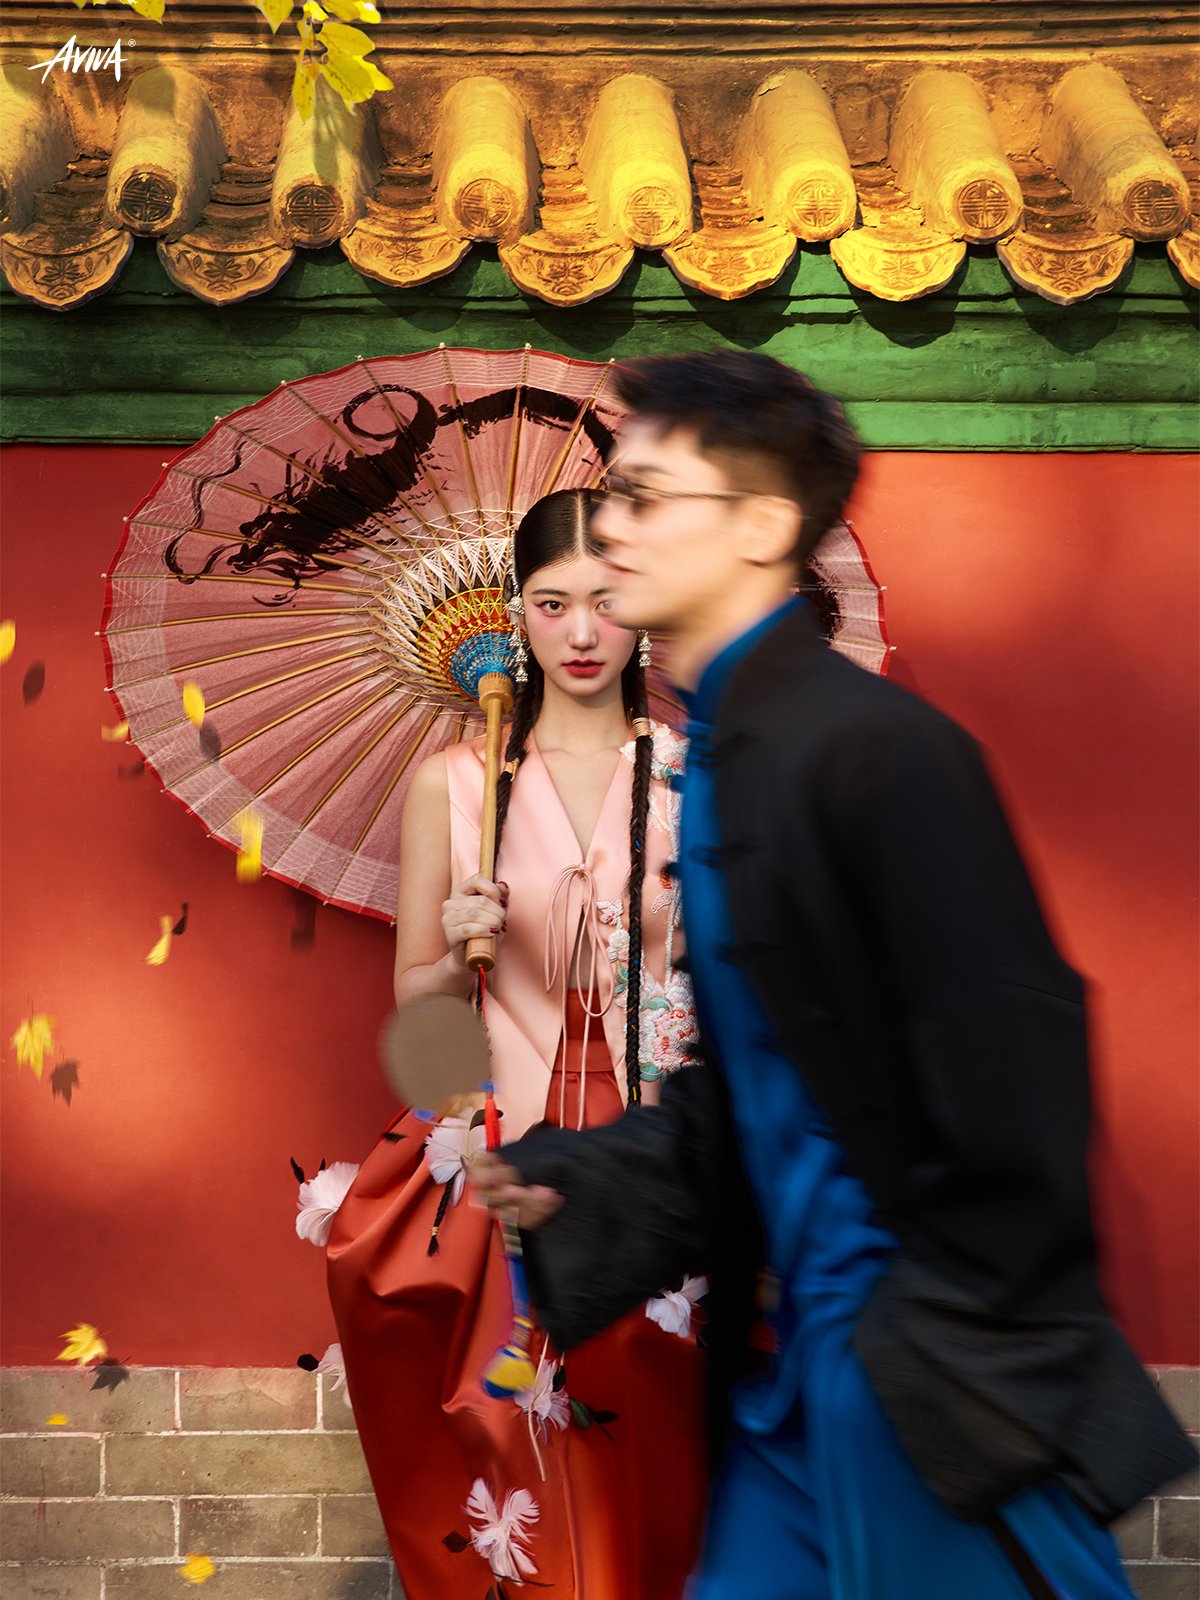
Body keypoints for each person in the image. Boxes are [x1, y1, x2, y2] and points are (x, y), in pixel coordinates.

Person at [475, 351, 1197, 1600]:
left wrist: (953, 1333)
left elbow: (1014, 1059)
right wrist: (583, 1179)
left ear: (763, 526)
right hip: (794, 1382)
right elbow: (760, 1078)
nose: (611, 527)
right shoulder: (730, 756)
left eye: (644, 496)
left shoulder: (876, 750)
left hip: (917, 1381)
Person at [326, 487, 707, 1600]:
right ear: (515, 615)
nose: (582, 632)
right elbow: (421, 1018)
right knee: (518, 1422)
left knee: (661, 1416)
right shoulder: (456, 783)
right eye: (551, 603)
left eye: (608, 601)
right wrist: (456, 952)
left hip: (653, 1131)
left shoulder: (697, 775)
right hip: (510, 1124)